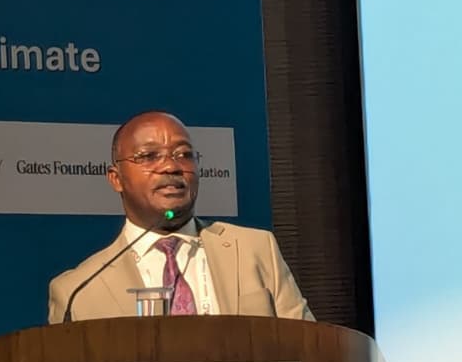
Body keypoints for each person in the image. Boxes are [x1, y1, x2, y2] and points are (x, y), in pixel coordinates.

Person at [48, 111, 315, 323]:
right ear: (116, 179)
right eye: (149, 156)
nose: (171, 166)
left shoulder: (255, 250)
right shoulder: (78, 291)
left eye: (184, 155)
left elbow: (307, 349)